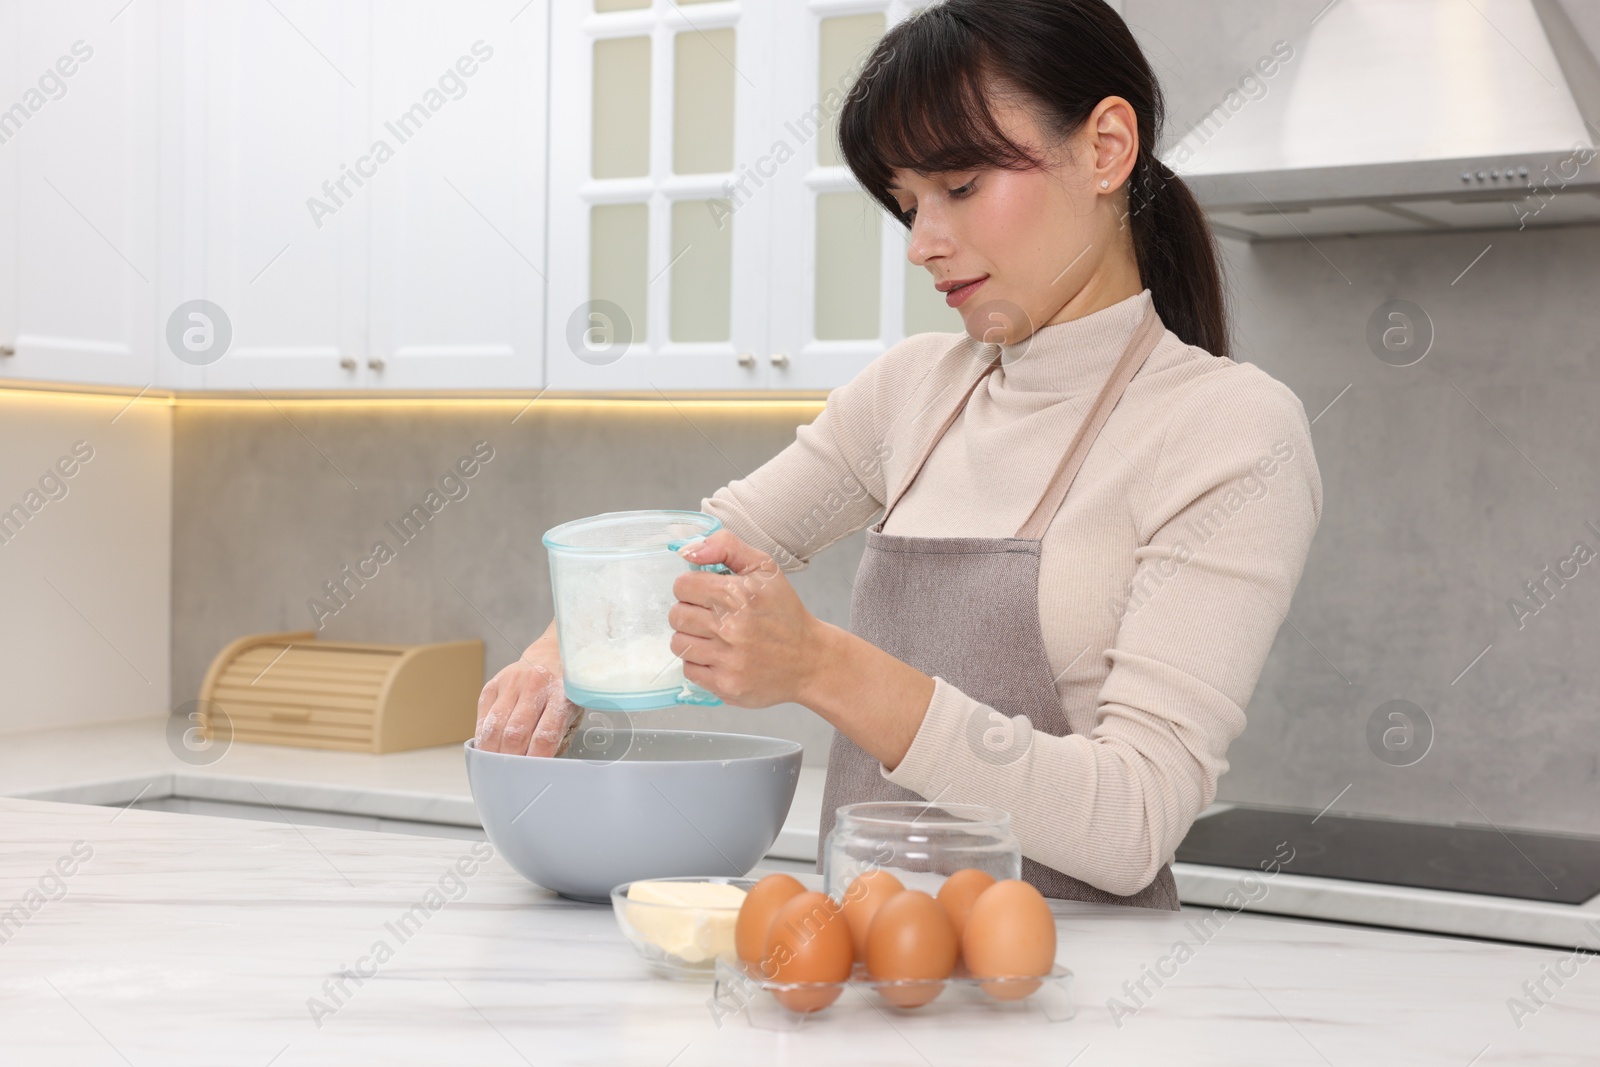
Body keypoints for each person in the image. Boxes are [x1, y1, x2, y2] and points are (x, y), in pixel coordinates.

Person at [475, 0, 1322, 910]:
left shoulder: (1229, 429)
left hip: (1064, 1004)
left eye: (960, 187)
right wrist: (551, 660)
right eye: (909, 203)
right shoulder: (912, 390)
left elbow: (1132, 822)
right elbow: (704, 546)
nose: (923, 244)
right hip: (854, 976)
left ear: (1107, 147)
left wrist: (820, 666)